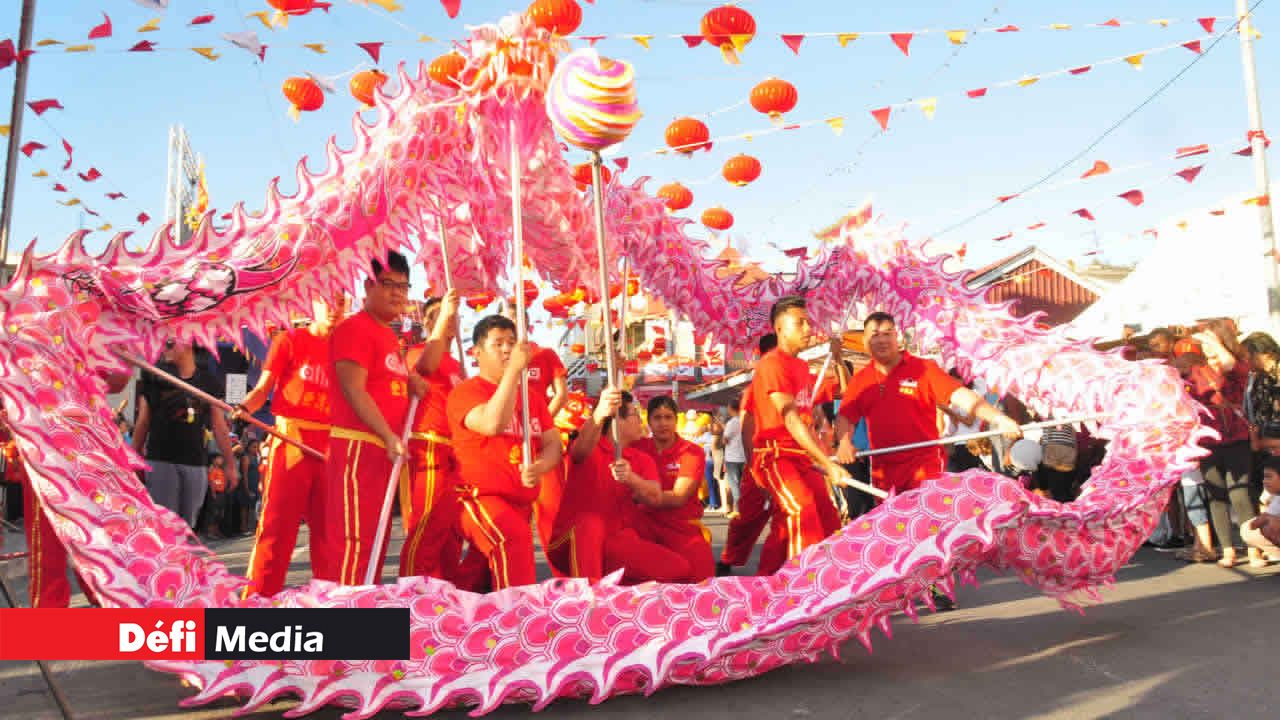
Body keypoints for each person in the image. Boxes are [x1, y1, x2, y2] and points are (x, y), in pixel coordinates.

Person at [320, 252, 427, 585]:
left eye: (403, 286)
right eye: (388, 284)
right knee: (355, 542)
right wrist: (388, 434)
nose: (397, 293)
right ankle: (346, 608)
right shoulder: (355, 329)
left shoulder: (388, 336)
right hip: (358, 447)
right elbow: (354, 389)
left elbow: (384, 384)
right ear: (368, 286)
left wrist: (410, 382)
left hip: (383, 450)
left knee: (375, 542)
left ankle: (363, 604)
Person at [836, 312, 1021, 495]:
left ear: (896, 337)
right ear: (865, 341)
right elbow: (845, 416)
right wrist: (844, 442)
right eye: (875, 335)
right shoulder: (861, 380)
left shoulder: (924, 368)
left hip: (924, 470)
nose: (882, 340)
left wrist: (999, 419)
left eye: (887, 333)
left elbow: (961, 396)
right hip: (884, 475)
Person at [236, 295, 343, 597]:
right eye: (328, 300)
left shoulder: (349, 350)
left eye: (341, 302)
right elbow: (262, 390)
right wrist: (244, 408)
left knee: (329, 537)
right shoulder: (289, 341)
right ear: (314, 303)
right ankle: (256, 601)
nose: (334, 308)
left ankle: (328, 603)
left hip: (331, 450)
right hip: (292, 444)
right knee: (276, 530)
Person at [448, 315, 561, 590]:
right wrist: (512, 373)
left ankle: (450, 612)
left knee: (476, 581)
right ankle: (517, 614)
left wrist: (540, 466)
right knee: (511, 541)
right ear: (477, 353)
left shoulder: (531, 398)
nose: (507, 349)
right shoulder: (466, 392)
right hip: (478, 498)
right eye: (498, 344)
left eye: (511, 342)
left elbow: (553, 444)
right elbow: (492, 424)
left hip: (520, 503)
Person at [552, 388, 703, 582]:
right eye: (635, 415)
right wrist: (600, 412)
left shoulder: (641, 458)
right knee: (591, 525)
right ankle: (590, 596)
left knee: (678, 569)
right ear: (617, 421)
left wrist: (632, 479)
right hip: (573, 539)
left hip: (617, 540)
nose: (640, 421)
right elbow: (580, 451)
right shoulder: (591, 446)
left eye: (668, 417)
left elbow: (655, 496)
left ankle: (618, 593)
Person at [749, 297, 851, 570]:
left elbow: (844, 391)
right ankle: (803, 585)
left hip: (802, 459)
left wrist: (838, 358)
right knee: (801, 510)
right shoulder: (771, 364)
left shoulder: (803, 367)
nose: (808, 329)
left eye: (809, 322)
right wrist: (828, 463)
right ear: (779, 328)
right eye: (800, 323)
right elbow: (792, 420)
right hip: (776, 457)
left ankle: (767, 583)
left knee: (827, 518)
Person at [133, 339, 238, 528]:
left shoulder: (208, 382)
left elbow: (220, 426)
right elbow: (143, 422)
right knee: (166, 525)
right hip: (161, 460)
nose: (164, 348)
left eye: (170, 343)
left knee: (188, 526)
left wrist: (230, 465)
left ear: (188, 343)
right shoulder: (154, 378)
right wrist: (133, 458)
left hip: (195, 462)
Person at [400, 290, 466, 581]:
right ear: (428, 323)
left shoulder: (458, 365)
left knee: (449, 534)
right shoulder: (418, 352)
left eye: (452, 315)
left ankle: (446, 592)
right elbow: (425, 367)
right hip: (429, 446)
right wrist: (445, 315)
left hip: (455, 453)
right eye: (438, 315)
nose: (448, 319)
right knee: (425, 527)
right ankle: (410, 590)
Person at [717, 333, 789, 576]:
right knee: (748, 518)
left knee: (791, 517)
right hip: (762, 463)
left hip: (790, 463)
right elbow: (747, 432)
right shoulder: (755, 388)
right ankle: (728, 559)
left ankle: (779, 570)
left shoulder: (795, 382)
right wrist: (756, 470)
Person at [1241, 455, 1280, 563]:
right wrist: (1269, 518)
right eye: (1264, 477)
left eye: (1268, 477)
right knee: (1247, 528)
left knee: (1270, 524)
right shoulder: (1277, 497)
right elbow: (1253, 525)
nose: (1264, 481)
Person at [721, 404, 745, 519]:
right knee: (742, 485)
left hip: (732, 458)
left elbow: (725, 439)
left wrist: (724, 433)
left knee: (734, 485)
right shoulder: (744, 420)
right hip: (744, 457)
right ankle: (742, 508)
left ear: (731, 409)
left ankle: (738, 510)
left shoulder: (732, 422)